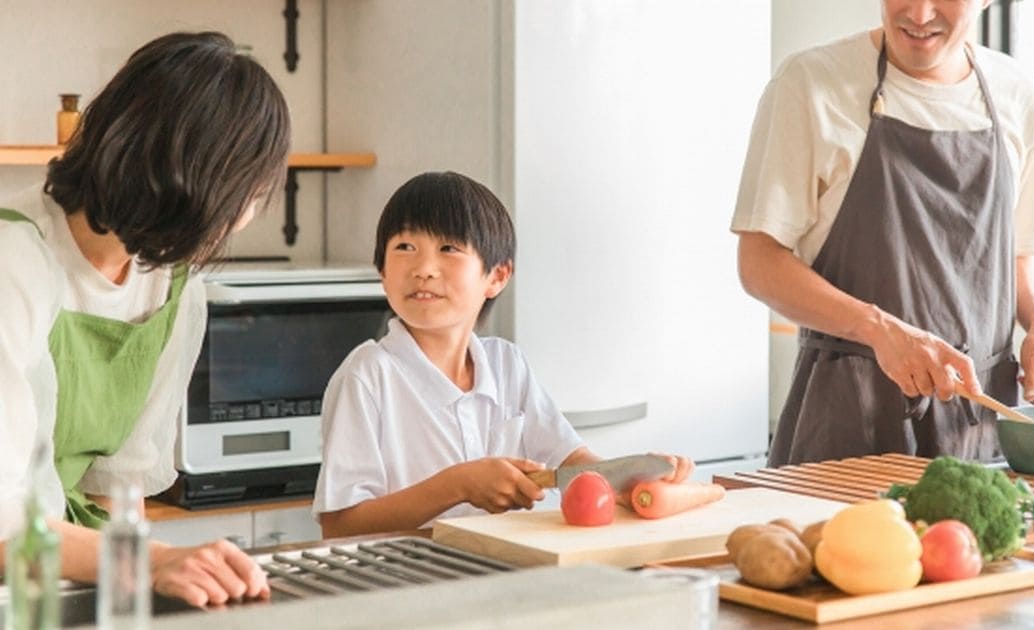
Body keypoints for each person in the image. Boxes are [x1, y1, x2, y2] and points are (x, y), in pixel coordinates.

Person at [0, 32, 291, 606]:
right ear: (187, 174)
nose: (248, 214)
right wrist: (150, 562)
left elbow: (115, 490)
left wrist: (137, 581)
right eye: (249, 190)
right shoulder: (15, 260)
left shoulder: (173, 283)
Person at [731, 0, 1034, 466]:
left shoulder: (1017, 94)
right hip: (849, 425)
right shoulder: (810, 83)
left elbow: (1017, 258)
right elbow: (759, 263)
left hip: (979, 433)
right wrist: (880, 330)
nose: (920, 12)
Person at [314, 171, 694, 536]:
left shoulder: (507, 364)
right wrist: (459, 484)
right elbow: (340, 525)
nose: (424, 268)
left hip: (500, 570)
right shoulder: (367, 376)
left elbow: (569, 460)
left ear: (496, 277)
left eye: (448, 248)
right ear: (381, 271)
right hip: (406, 586)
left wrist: (629, 478)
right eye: (405, 247)